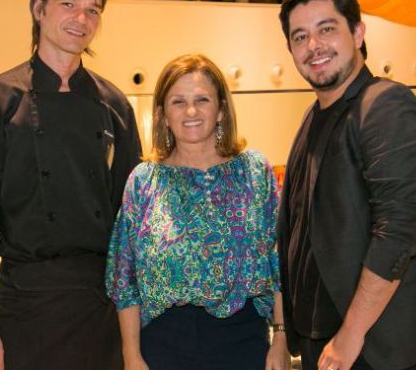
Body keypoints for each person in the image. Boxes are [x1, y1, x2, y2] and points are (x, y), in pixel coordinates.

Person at [0, 0, 141, 370]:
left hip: (99, 303)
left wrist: (135, 339)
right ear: (39, 9)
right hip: (26, 304)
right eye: (68, 4)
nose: (81, 19)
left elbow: (133, 228)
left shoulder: (115, 105)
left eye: (93, 10)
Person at [276, 0, 416, 370]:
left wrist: (350, 334)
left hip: (373, 346)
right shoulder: (312, 118)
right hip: (324, 342)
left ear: (358, 31)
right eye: (300, 37)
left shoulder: (385, 105)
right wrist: (286, 334)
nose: (313, 46)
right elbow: (296, 234)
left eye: (326, 29)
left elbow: (396, 234)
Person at [106, 54, 289, 370]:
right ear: (163, 114)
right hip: (163, 346)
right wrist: (131, 356)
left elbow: (281, 262)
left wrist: (282, 340)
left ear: (220, 110)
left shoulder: (254, 172)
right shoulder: (143, 181)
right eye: (178, 102)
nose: (191, 111)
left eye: (202, 99)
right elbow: (125, 280)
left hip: (243, 341)